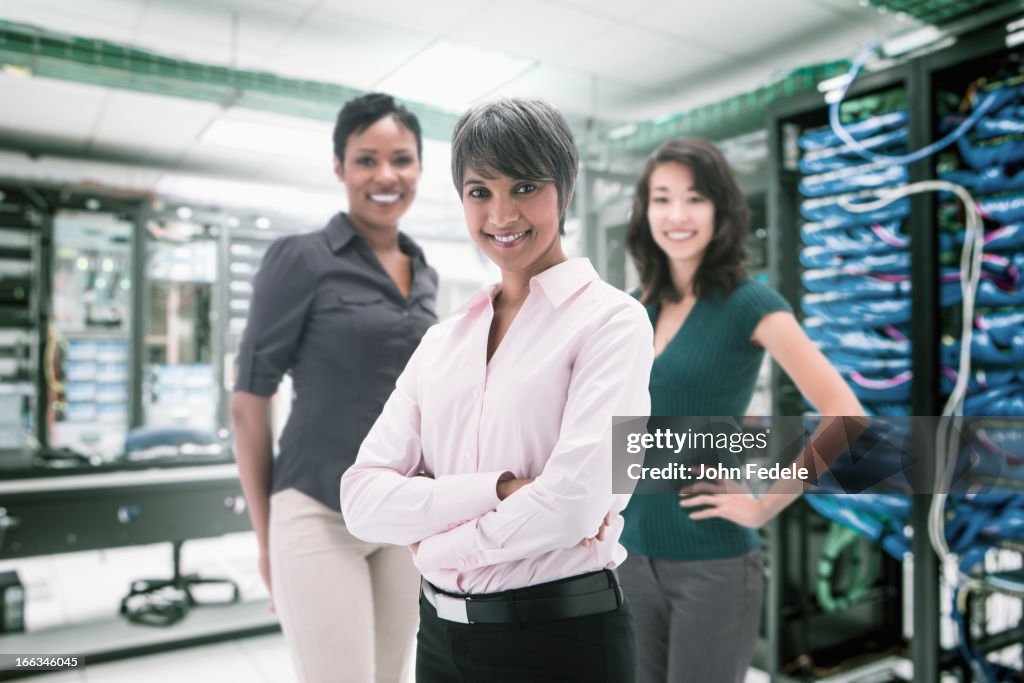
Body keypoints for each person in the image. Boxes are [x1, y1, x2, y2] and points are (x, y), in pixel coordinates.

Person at [340, 97, 653, 683]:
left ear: (565, 191)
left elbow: (575, 506)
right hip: (438, 638)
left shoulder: (615, 322)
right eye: (480, 191)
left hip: (562, 638)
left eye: (526, 186)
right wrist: (504, 489)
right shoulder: (442, 341)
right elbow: (360, 498)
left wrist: (432, 547)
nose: (502, 213)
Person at [618, 138, 864, 683]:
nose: (676, 215)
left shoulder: (750, 302)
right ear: (645, 212)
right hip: (628, 557)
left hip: (712, 564)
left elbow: (846, 416)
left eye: (695, 198)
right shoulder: (635, 307)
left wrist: (763, 505)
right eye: (662, 199)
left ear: (720, 210)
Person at [231, 93, 437, 683]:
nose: (386, 175)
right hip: (317, 509)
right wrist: (267, 537)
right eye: (366, 159)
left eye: (402, 159)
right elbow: (249, 405)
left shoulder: (426, 272)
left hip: (401, 512)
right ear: (339, 167)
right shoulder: (300, 260)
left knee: (393, 676)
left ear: (419, 168)